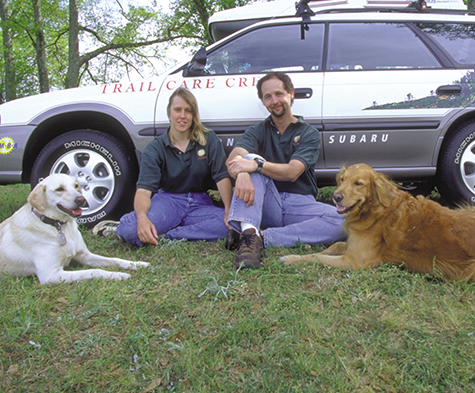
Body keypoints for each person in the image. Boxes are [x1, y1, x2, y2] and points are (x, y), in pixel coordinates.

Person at [225, 72, 346, 269]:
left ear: (291, 94)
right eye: (267, 97)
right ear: (263, 102)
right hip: (266, 203)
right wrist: (243, 172)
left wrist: (258, 165)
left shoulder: (308, 132)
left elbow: (292, 172)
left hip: (300, 203)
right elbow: (234, 158)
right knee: (246, 159)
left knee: (345, 221)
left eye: (279, 94)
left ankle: (260, 236)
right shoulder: (258, 130)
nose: (274, 101)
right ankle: (248, 237)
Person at [92, 87, 232, 246]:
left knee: (230, 225)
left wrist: (228, 210)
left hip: (199, 203)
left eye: (188, 111)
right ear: (169, 112)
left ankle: (168, 235)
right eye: (177, 110)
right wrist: (142, 218)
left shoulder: (208, 139)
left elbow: (222, 177)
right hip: (168, 201)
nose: (182, 116)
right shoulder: (155, 148)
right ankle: (124, 226)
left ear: (194, 115)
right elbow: (144, 191)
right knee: (130, 230)